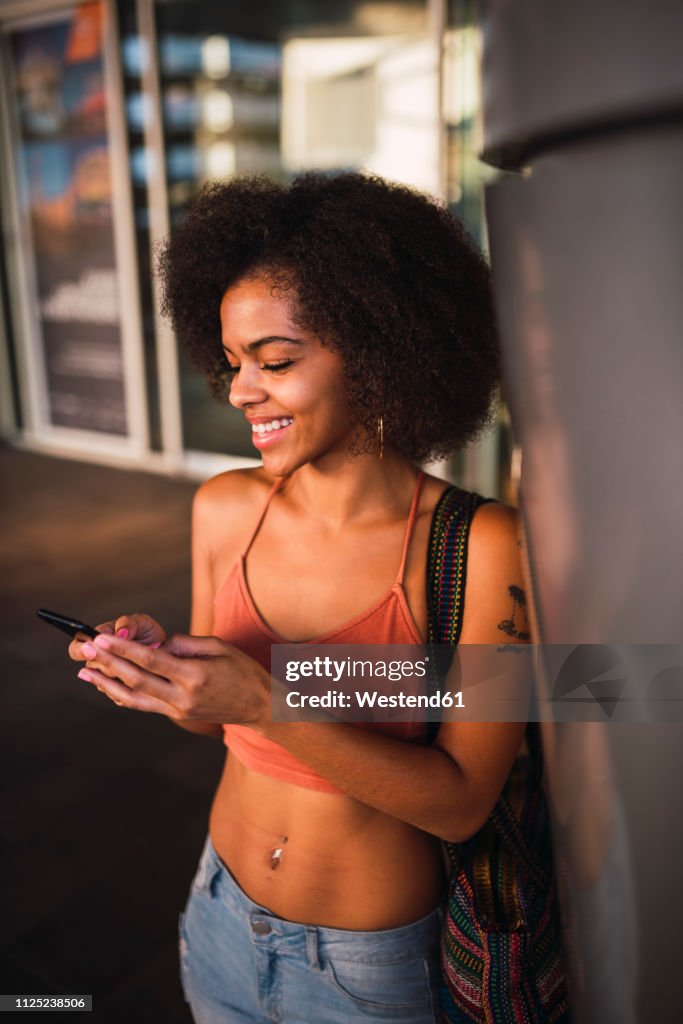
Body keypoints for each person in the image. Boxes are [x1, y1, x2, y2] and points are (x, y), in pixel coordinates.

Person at [69, 172, 530, 1024]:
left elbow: (463, 801)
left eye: (276, 362)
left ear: (385, 349)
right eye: (235, 361)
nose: (242, 389)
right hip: (217, 914)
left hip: (368, 968)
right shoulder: (224, 508)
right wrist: (166, 674)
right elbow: (215, 723)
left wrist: (271, 701)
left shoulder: (479, 545)